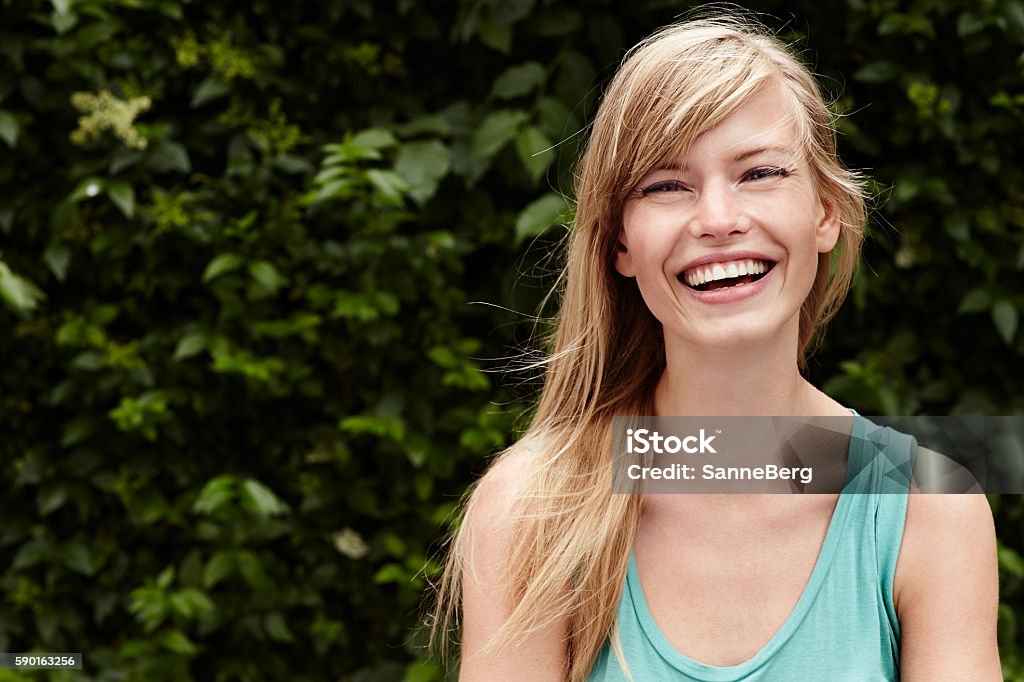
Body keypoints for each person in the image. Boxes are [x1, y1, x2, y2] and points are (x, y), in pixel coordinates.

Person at [429, 13, 1000, 682]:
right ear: (619, 243)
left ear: (824, 214)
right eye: (668, 186)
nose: (719, 220)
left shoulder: (929, 509)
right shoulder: (533, 507)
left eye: (759, 172)